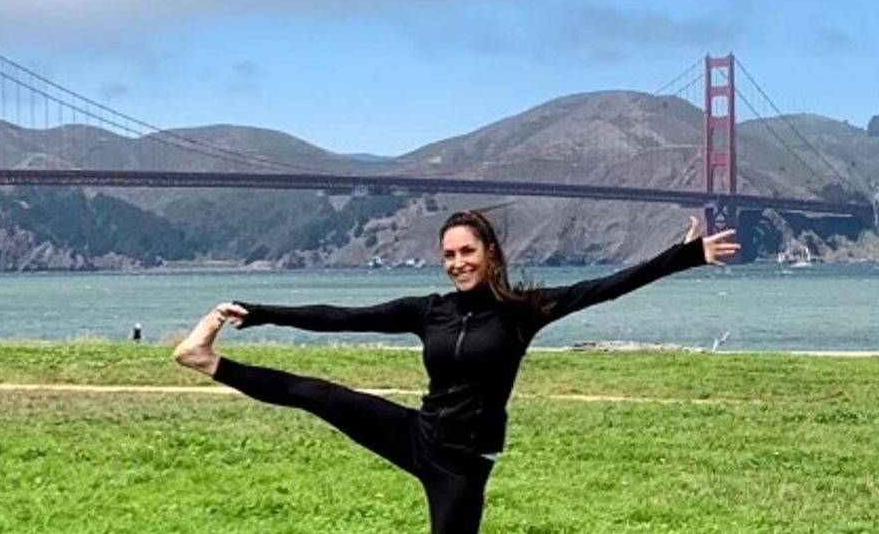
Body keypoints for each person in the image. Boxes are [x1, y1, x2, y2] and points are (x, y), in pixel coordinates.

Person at [173, 210, 740, 533]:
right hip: (420, 434)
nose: (457, 263)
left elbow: (607, 287)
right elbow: (340, 317)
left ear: (490, 253)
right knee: (319, 393)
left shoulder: (524, 312)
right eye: (448, 255)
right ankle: (205, 359)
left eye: (467, 251)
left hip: (463, 466)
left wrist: (684, 256)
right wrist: (260, 312)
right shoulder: (430, 311)